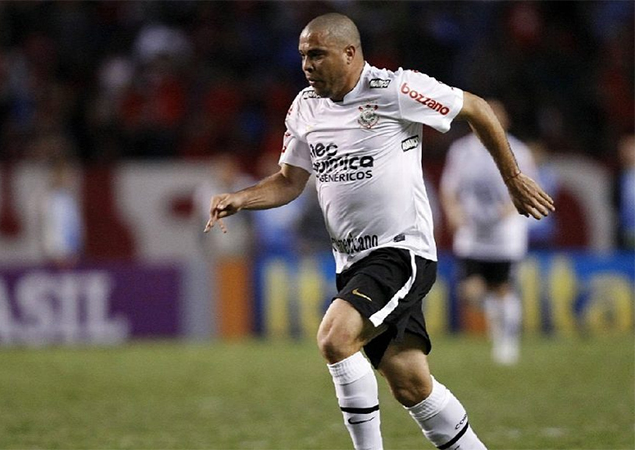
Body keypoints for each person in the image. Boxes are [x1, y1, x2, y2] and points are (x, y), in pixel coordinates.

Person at [204, 13, 554, 450]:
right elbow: (290, 182)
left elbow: (477, 108)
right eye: (303, 56)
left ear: (350, 53)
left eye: (317, 54)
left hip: (400, 252)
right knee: (411, 385)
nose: (307, 65)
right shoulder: (305, 108)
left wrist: (513, 177)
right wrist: (242, 198)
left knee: (335, 338)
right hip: (352, 262)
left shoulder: (395, 89)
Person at [439, 100, 538, 366]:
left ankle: (507, 342)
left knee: (502, 287)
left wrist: (507, 211)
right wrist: (453, 212)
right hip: (472, 233)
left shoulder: (518, 151)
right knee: (471, 292)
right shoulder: (461, 151)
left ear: (504, 121)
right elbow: (449, 189)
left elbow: (527, 187)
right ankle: (500, 321)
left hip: (504, 234)